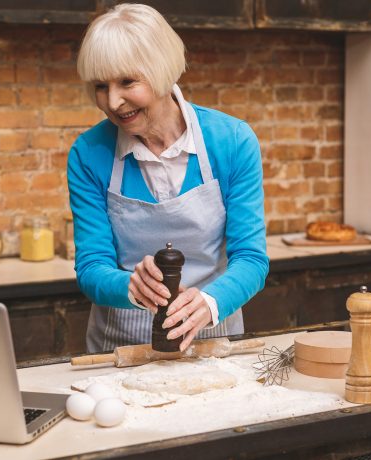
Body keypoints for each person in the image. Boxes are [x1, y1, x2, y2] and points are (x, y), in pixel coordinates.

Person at [67, 3, 269, 353]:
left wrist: (209, 302)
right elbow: (91, 267)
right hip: (121, 348)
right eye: (101, 86)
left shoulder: (232, 142)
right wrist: (130, 286)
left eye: (128, 81)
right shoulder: (88, 154)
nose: (113, 102)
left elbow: (251, 258)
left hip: (214, 342)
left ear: (161, 70)